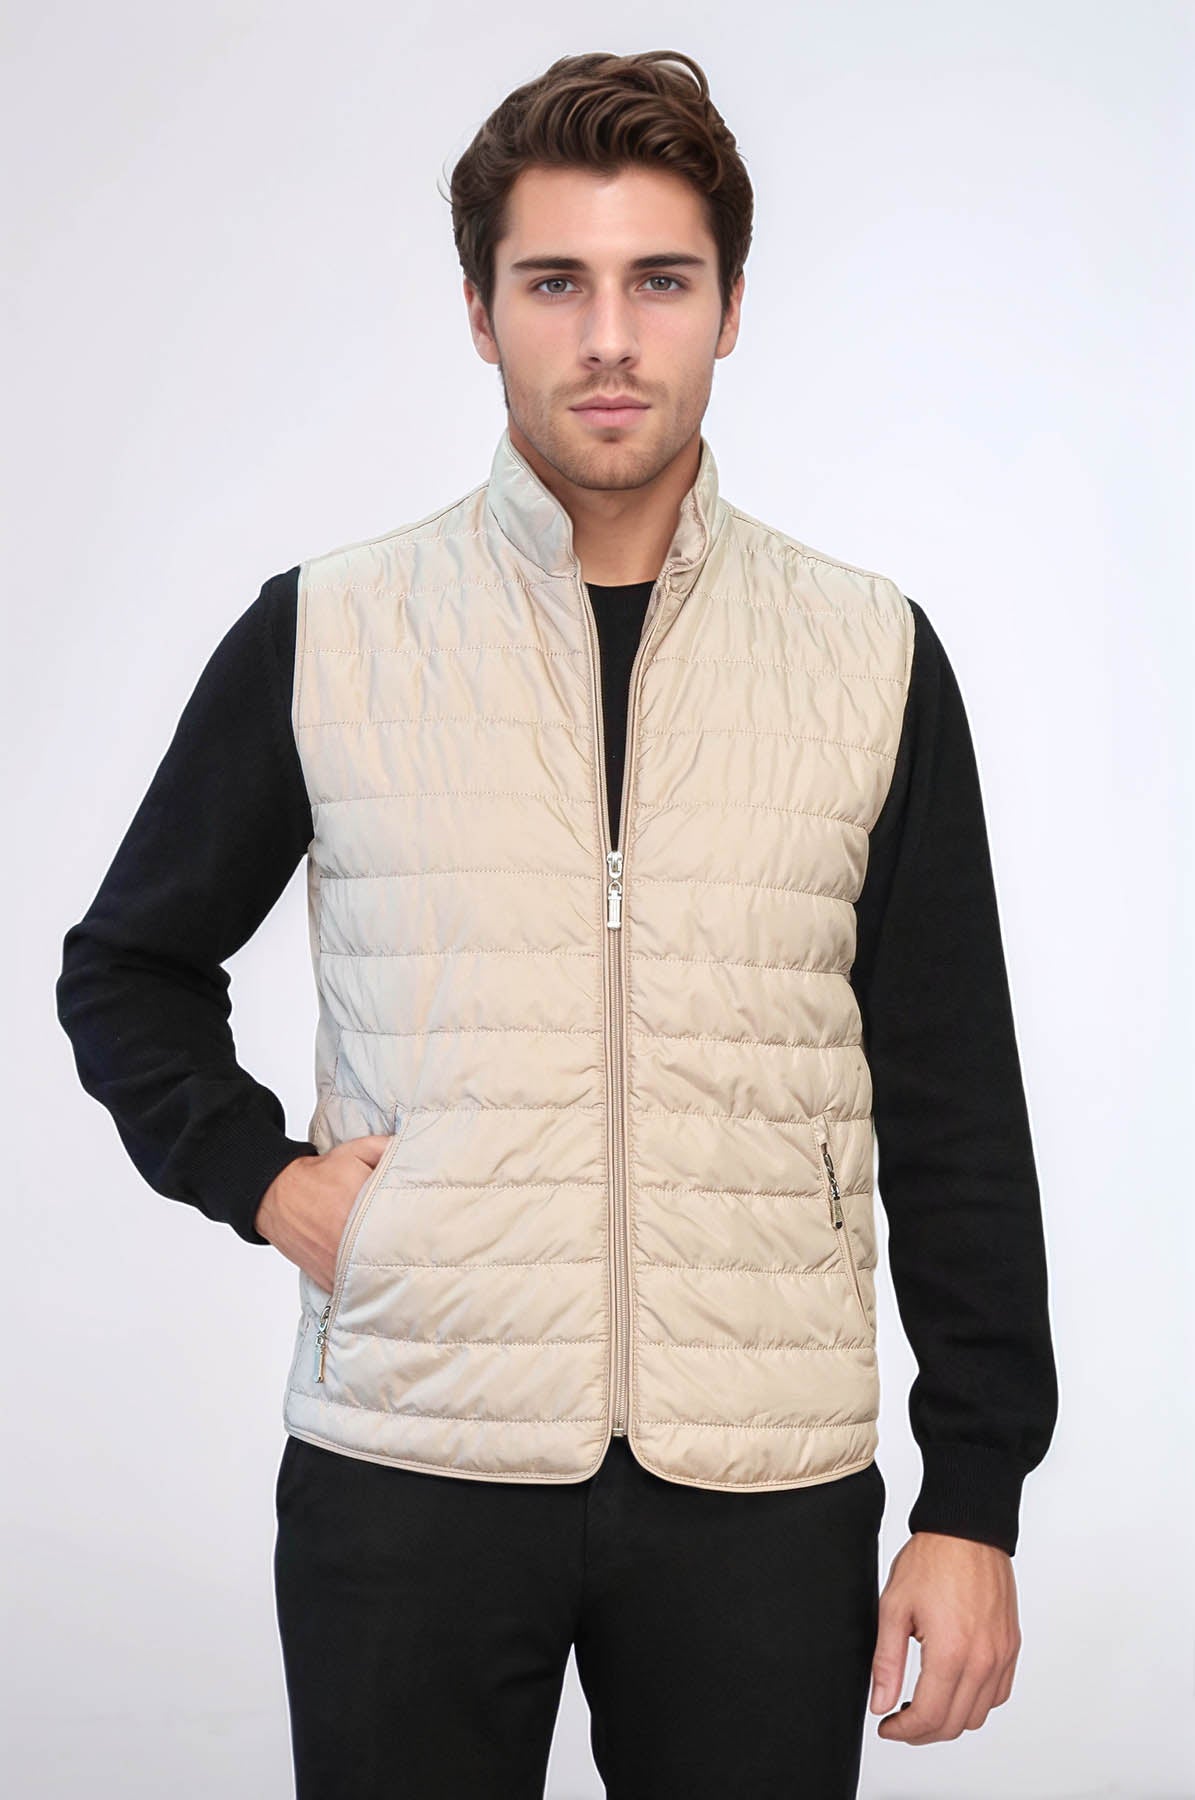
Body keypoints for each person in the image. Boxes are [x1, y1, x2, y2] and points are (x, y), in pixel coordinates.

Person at [55, 48, 1058, 1800]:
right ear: (479, 311)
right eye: (554, 284)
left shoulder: (869, 656)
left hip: (763, 1485)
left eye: (659, 281)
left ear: (730, 308)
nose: (608, 337)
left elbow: (955, 1097)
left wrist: (974, 1499)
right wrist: (265, 1179)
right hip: (410, 1463)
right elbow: (125, 969)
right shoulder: (332, 633)